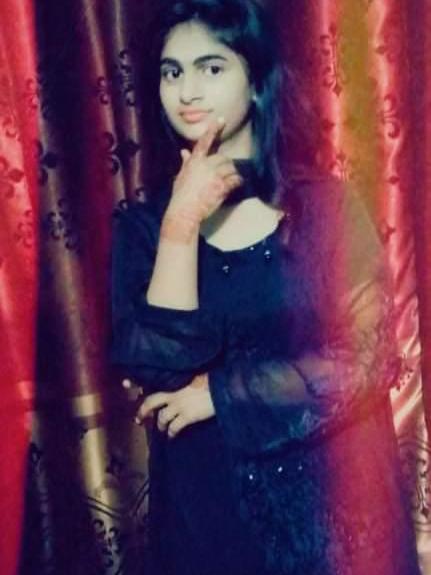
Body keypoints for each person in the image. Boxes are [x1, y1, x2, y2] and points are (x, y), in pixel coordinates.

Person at [111, 1, 421, 574]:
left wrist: (221, 395)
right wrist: (181, 222)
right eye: (171, 72)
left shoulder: (325, 209)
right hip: (210, 520)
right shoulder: (145, 230)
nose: (186, 92)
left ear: (255, 80)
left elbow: (371, 356)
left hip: (333, 517)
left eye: (211, 68)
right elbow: (160, 374)